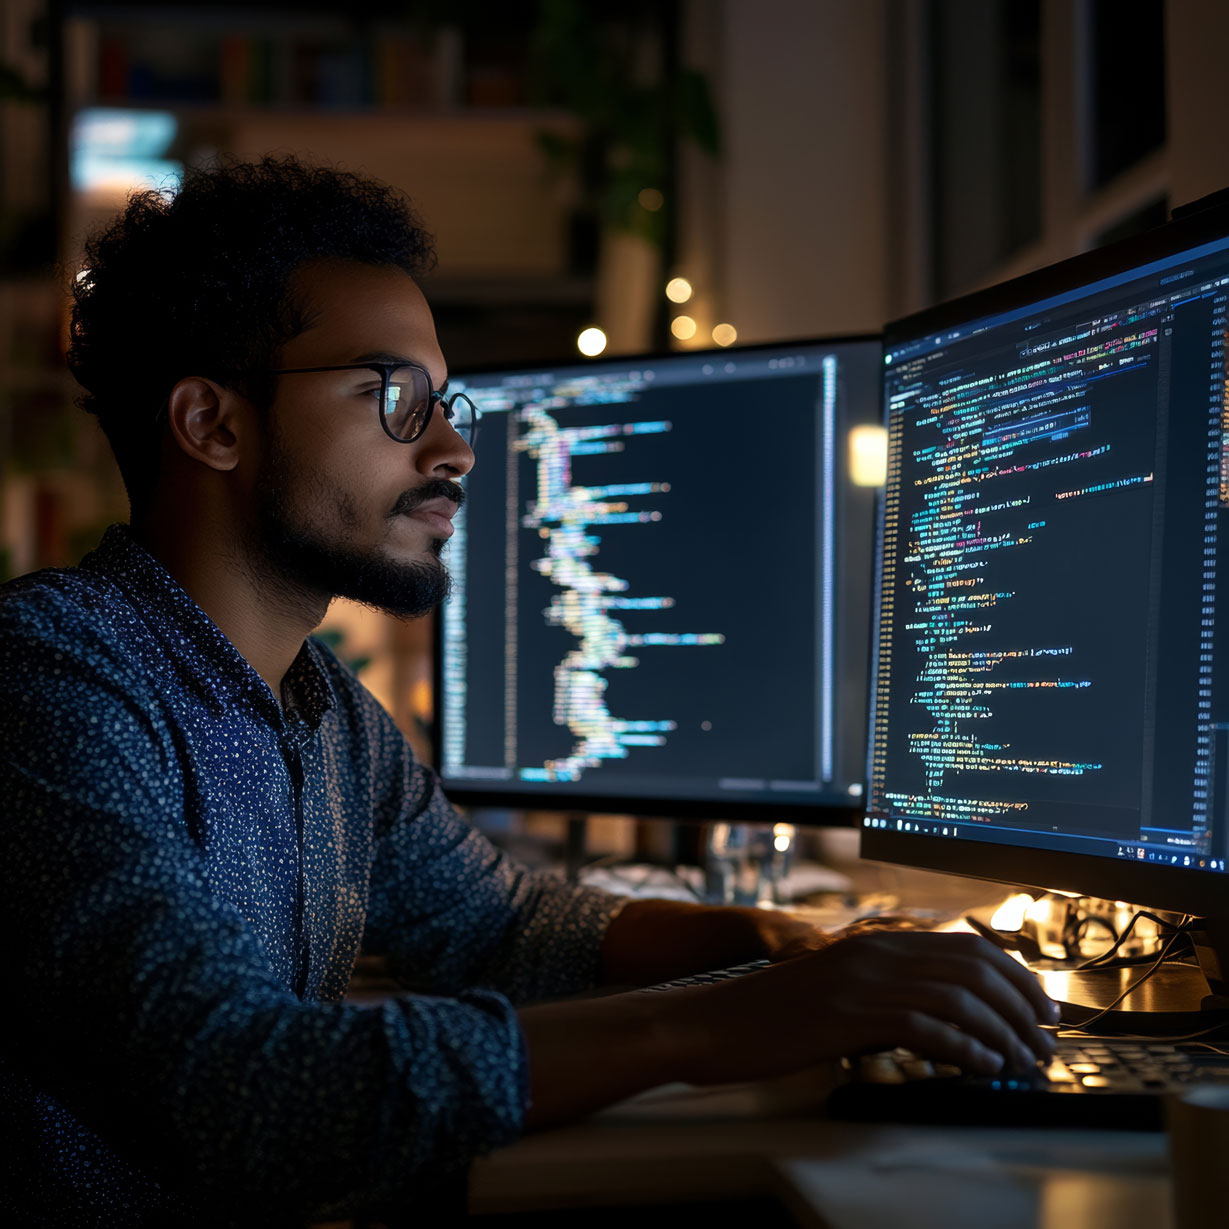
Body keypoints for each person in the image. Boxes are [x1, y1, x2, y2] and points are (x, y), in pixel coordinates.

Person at [0, 156, 1058, 1224]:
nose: (457, 447)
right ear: (212, 424)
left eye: (445, 401)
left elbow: (500, 925)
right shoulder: (50, 676)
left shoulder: (321, 708)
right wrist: (715, 1025)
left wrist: (776, 941)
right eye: (395, 397)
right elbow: (242, 1081)